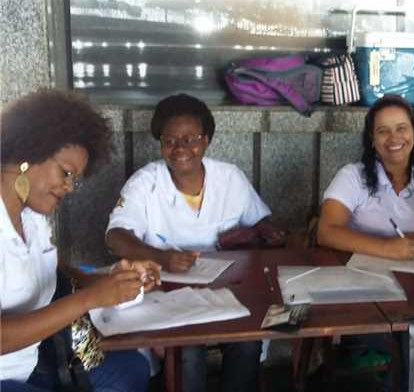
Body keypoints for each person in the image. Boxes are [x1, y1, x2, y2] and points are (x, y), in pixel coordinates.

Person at [105, 93, 283, 392]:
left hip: (228, 290)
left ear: (207, 140)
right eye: (170, 140)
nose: (180, 149)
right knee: (187, 350)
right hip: (167, 293)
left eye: (191, 139)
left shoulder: (229, 178)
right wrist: (162, 258)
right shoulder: (146, 183)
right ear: (160, 142)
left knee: (247, 342)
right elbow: (115, 237)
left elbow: (259, 220)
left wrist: (272, 231)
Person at [0, 89, 160, 392]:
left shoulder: (30, 214)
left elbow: (57, 272)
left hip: (34, 360)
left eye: (74, 180)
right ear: (30, 150)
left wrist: (107, 281)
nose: (69, 187)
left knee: (132, 369)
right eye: (66, 173)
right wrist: (90, 299)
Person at [318, 94, 414, 260]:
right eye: (383, 131)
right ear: (372, 139)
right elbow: (326, 232)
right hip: (360, 275)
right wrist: (385, 248)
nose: (394, 138)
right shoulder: (352, 177)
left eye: (401, 128)